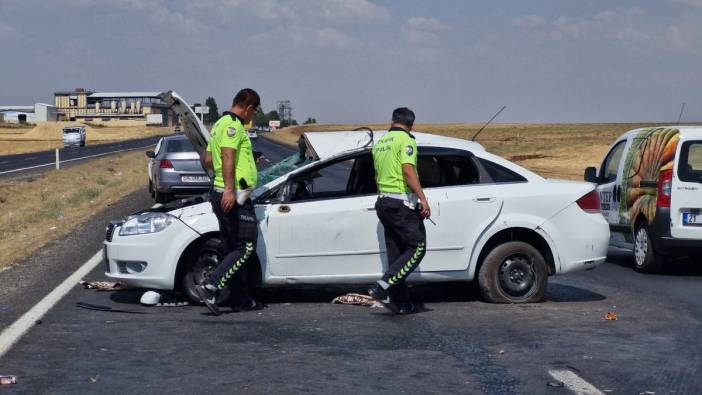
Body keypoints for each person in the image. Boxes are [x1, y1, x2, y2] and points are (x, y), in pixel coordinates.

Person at [195, 88, 262, 316]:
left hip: (220, 190)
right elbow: (227, 155)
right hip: (234, 195)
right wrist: (230, 189)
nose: (252, 117)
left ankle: (241, 299)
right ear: (248, 107)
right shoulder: (233, 124)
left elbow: (207, 159)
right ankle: (211, 285)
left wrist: (247, 163)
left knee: (233, 247)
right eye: (253, 112)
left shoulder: (218, 125)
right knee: (246, 246)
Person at [368, 107, 430, 315]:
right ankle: (383, 285)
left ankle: (399, 302)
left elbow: (377, 175)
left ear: (392, 121)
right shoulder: (406, 141)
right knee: (418, 246)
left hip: (383, 202)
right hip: (400, 203)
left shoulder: (380, 142)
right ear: (411, 124)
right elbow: (407, 169)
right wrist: (422, 198)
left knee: (396, 253)